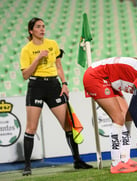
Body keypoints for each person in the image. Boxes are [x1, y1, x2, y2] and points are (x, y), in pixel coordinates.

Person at [20, 17, 93, 176]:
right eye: (38, 27)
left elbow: (59, 66)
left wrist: (65, 83)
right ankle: (27, 166)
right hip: (36, 86)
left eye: (43, 26)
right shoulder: (26, 49)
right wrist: (38, 58)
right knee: (31, 128)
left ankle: (77, 161)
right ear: (31, 31)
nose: (42, 29)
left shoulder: (52, 44)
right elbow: (25, 75)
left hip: (54, 86)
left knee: (68, 125)